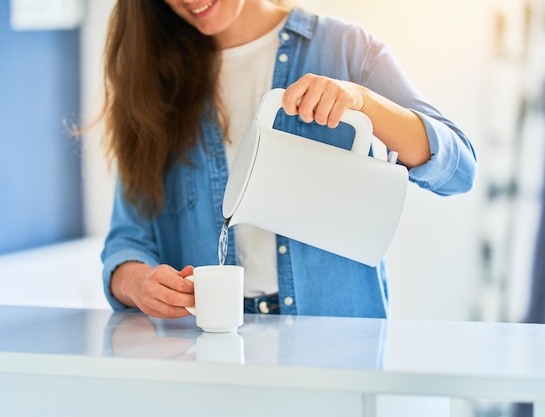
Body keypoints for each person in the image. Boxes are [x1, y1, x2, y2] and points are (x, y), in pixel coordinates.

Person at [100, 0, 477, 319]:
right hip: (204, 350)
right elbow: (125, 242)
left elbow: (460, 170)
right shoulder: (154, 83)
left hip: (336, 350)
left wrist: (363, 102)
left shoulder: (345, 48)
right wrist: (139, 284)